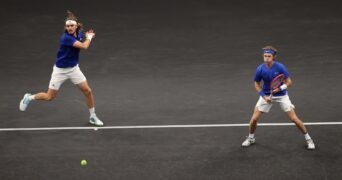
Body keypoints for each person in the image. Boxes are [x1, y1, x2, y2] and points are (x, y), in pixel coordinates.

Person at [19, 10, 104, 126]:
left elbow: (81, 36)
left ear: (76, 26)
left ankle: (93, 117)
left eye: (72, 26)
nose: (70, 28)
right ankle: (29, 97)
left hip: (74, 69)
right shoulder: (66, 38)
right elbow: (84, 46)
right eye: (68, 26)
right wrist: (89, 37)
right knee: (49, 97)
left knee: (88, 91)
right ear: (65, 27)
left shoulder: (78, 32)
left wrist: (86, 34)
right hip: (60, 71)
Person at [241, 46, 315, 150]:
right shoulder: (260, 69)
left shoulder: (280, 67)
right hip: (266, 95)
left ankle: (308, 139)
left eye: (269, 56)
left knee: (294, 119)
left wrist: (280, 88)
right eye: (265, 56)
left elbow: (289, 82)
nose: (266, 58)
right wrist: (264, 96)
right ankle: (251, 138)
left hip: (282, 95)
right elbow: (256, 84)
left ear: (273, 57)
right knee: (254, 119)